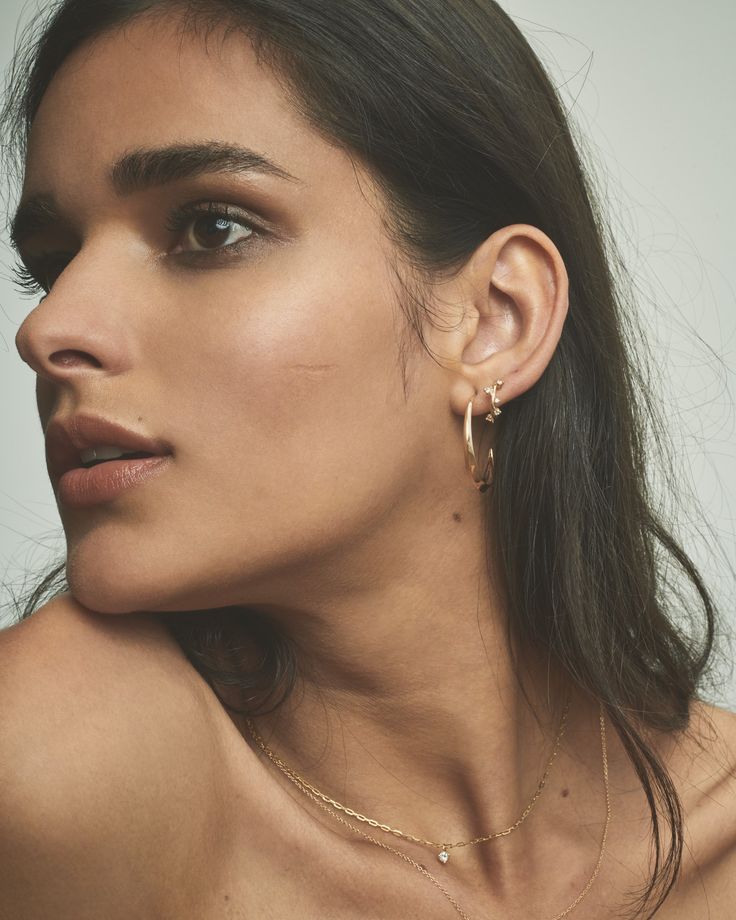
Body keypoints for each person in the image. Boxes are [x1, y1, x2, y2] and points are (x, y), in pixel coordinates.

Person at [1, 1, 734, 918]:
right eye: (52, 260)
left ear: (495, 320)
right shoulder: (56, 766)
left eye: (210, 229)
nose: (48, 328)